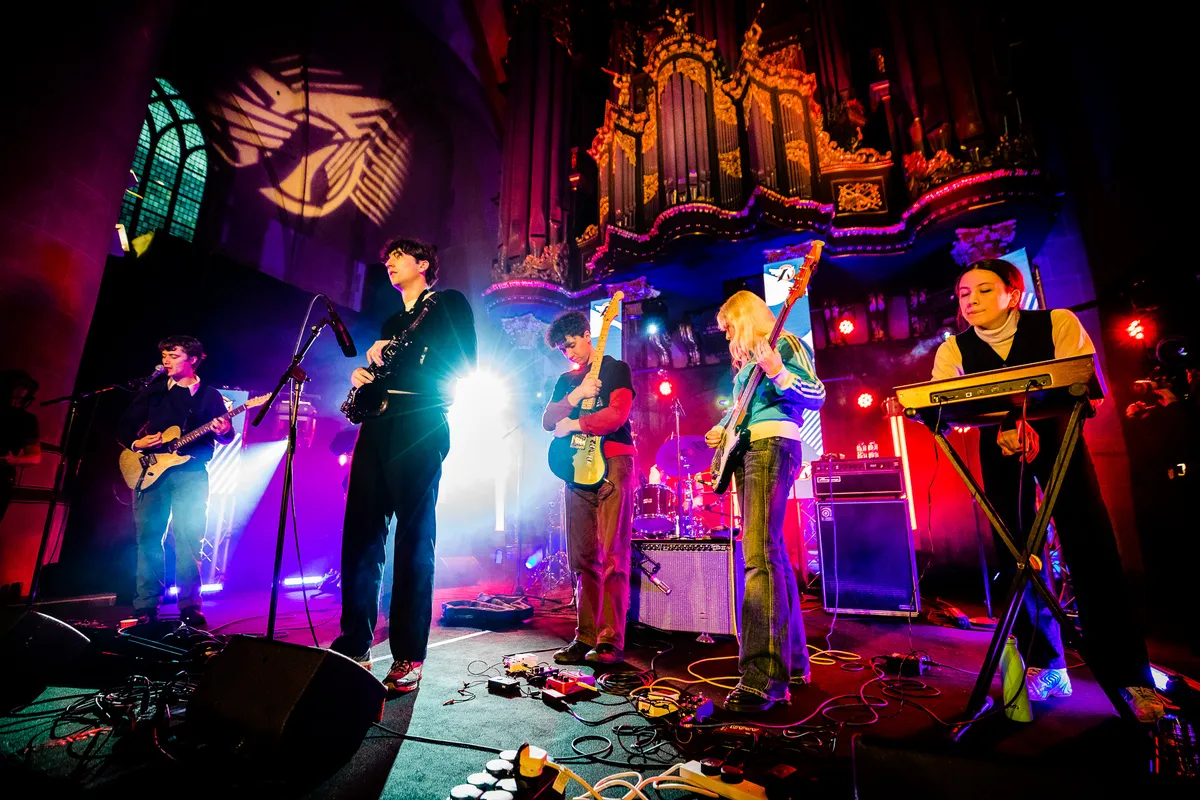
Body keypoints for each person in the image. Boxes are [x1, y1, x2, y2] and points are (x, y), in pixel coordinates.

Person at [931, 258, 1165, 723]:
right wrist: (1003, 424)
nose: (970, 301)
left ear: (1013, 294)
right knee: (1018, 557)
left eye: (983, 290)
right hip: (999, 445)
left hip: (1060, 437)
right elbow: (945, 405)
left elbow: (1084, 387)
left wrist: (1031, 418)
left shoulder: (1058, 323)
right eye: (963, 294)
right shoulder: (952, 349)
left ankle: (1130, 676)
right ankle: (1047, 664)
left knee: (1091, 547)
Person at [332, 238, 477, 693]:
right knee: (360, 535)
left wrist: (404, 351)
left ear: (424, 264)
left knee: (413, 539)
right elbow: (383, 370)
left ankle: (409, 654)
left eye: (398, 257)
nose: (389, 263)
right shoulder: (392, 322)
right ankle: (354, 641)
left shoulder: (448, 303)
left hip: (420, 423)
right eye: (387, 259)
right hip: (377, 425)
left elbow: (465, 363)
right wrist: (365, 373)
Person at [704, 290, 825, 713]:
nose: (727, 337)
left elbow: (815, 394)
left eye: (729, 328)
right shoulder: (745, 368)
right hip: (751, 447)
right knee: (771, 558)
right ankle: (793, 666)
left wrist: (777, 369)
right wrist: (722, 427)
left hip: (773, 445)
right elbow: (744, 411)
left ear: (744, 317)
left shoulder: (784, 343)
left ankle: (762, 680)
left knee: (757, 558)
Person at [116, 337, 235, 626]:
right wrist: (137, 443)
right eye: (164, 355)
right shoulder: (155, 390)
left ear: (192, 359)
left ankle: (190, 605)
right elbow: (124, 426)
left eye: (173, 355)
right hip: (151, 469)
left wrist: (224, 431)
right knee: (148, 538)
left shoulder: (210, 396)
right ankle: (146, 604)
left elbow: (226, 436)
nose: (166, 360)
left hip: (191, 473)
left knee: (189, 538)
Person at [542, 309, 636, 666]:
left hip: (614, 462)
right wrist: (576, 395)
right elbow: (548, 420)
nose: (569, 353)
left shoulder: (616, 369)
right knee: (582, 558)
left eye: (571, 345)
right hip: (576, 468)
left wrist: (575, 423)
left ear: (587, 334)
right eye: (562, 350)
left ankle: (610, 641)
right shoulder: (566, 380)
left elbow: (617, 415)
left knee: (614, 555)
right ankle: (585, 637)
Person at [1, 370, 42, 524]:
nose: (14, 403)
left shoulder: (26, 420)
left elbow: (35, 457)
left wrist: (14, 460)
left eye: (19, 399)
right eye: (11, 398)